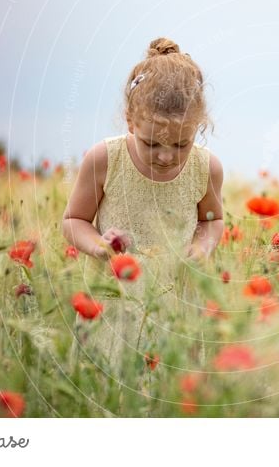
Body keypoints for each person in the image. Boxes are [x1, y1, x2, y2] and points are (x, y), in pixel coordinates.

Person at [61, 37, 224, 375]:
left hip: (176, 307)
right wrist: (99, 246)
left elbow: (213, 220)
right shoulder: (105, 159)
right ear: (130, 121)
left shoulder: (204, 168)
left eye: (182, 143)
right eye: (151, 143)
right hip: (114, 304)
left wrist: (201, 246)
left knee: (169, 395)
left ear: (199, 127)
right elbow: (74, 220)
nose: (166, 156)